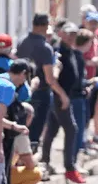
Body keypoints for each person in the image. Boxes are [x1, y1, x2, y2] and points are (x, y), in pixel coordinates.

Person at [39, 23, 85, 183]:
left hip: (66, 95)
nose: (72, 37)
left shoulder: (71, 51)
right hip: (60, 96)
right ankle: (69, 167)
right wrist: (63, 96)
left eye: (74, 34)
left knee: (52, 130)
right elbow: (53, 78)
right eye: (69, 34)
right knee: (72, 129)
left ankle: (45, 161)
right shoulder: (58, 52)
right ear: (61, 34)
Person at [16, 14, 65, 148]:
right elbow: (50, 78)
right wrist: (57, 68)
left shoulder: (22, 42)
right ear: (45, 26)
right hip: (40, 93)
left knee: (20, 131)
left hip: (21, 90)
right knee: (34, 134)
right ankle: (28, 165)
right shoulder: (45, 47)